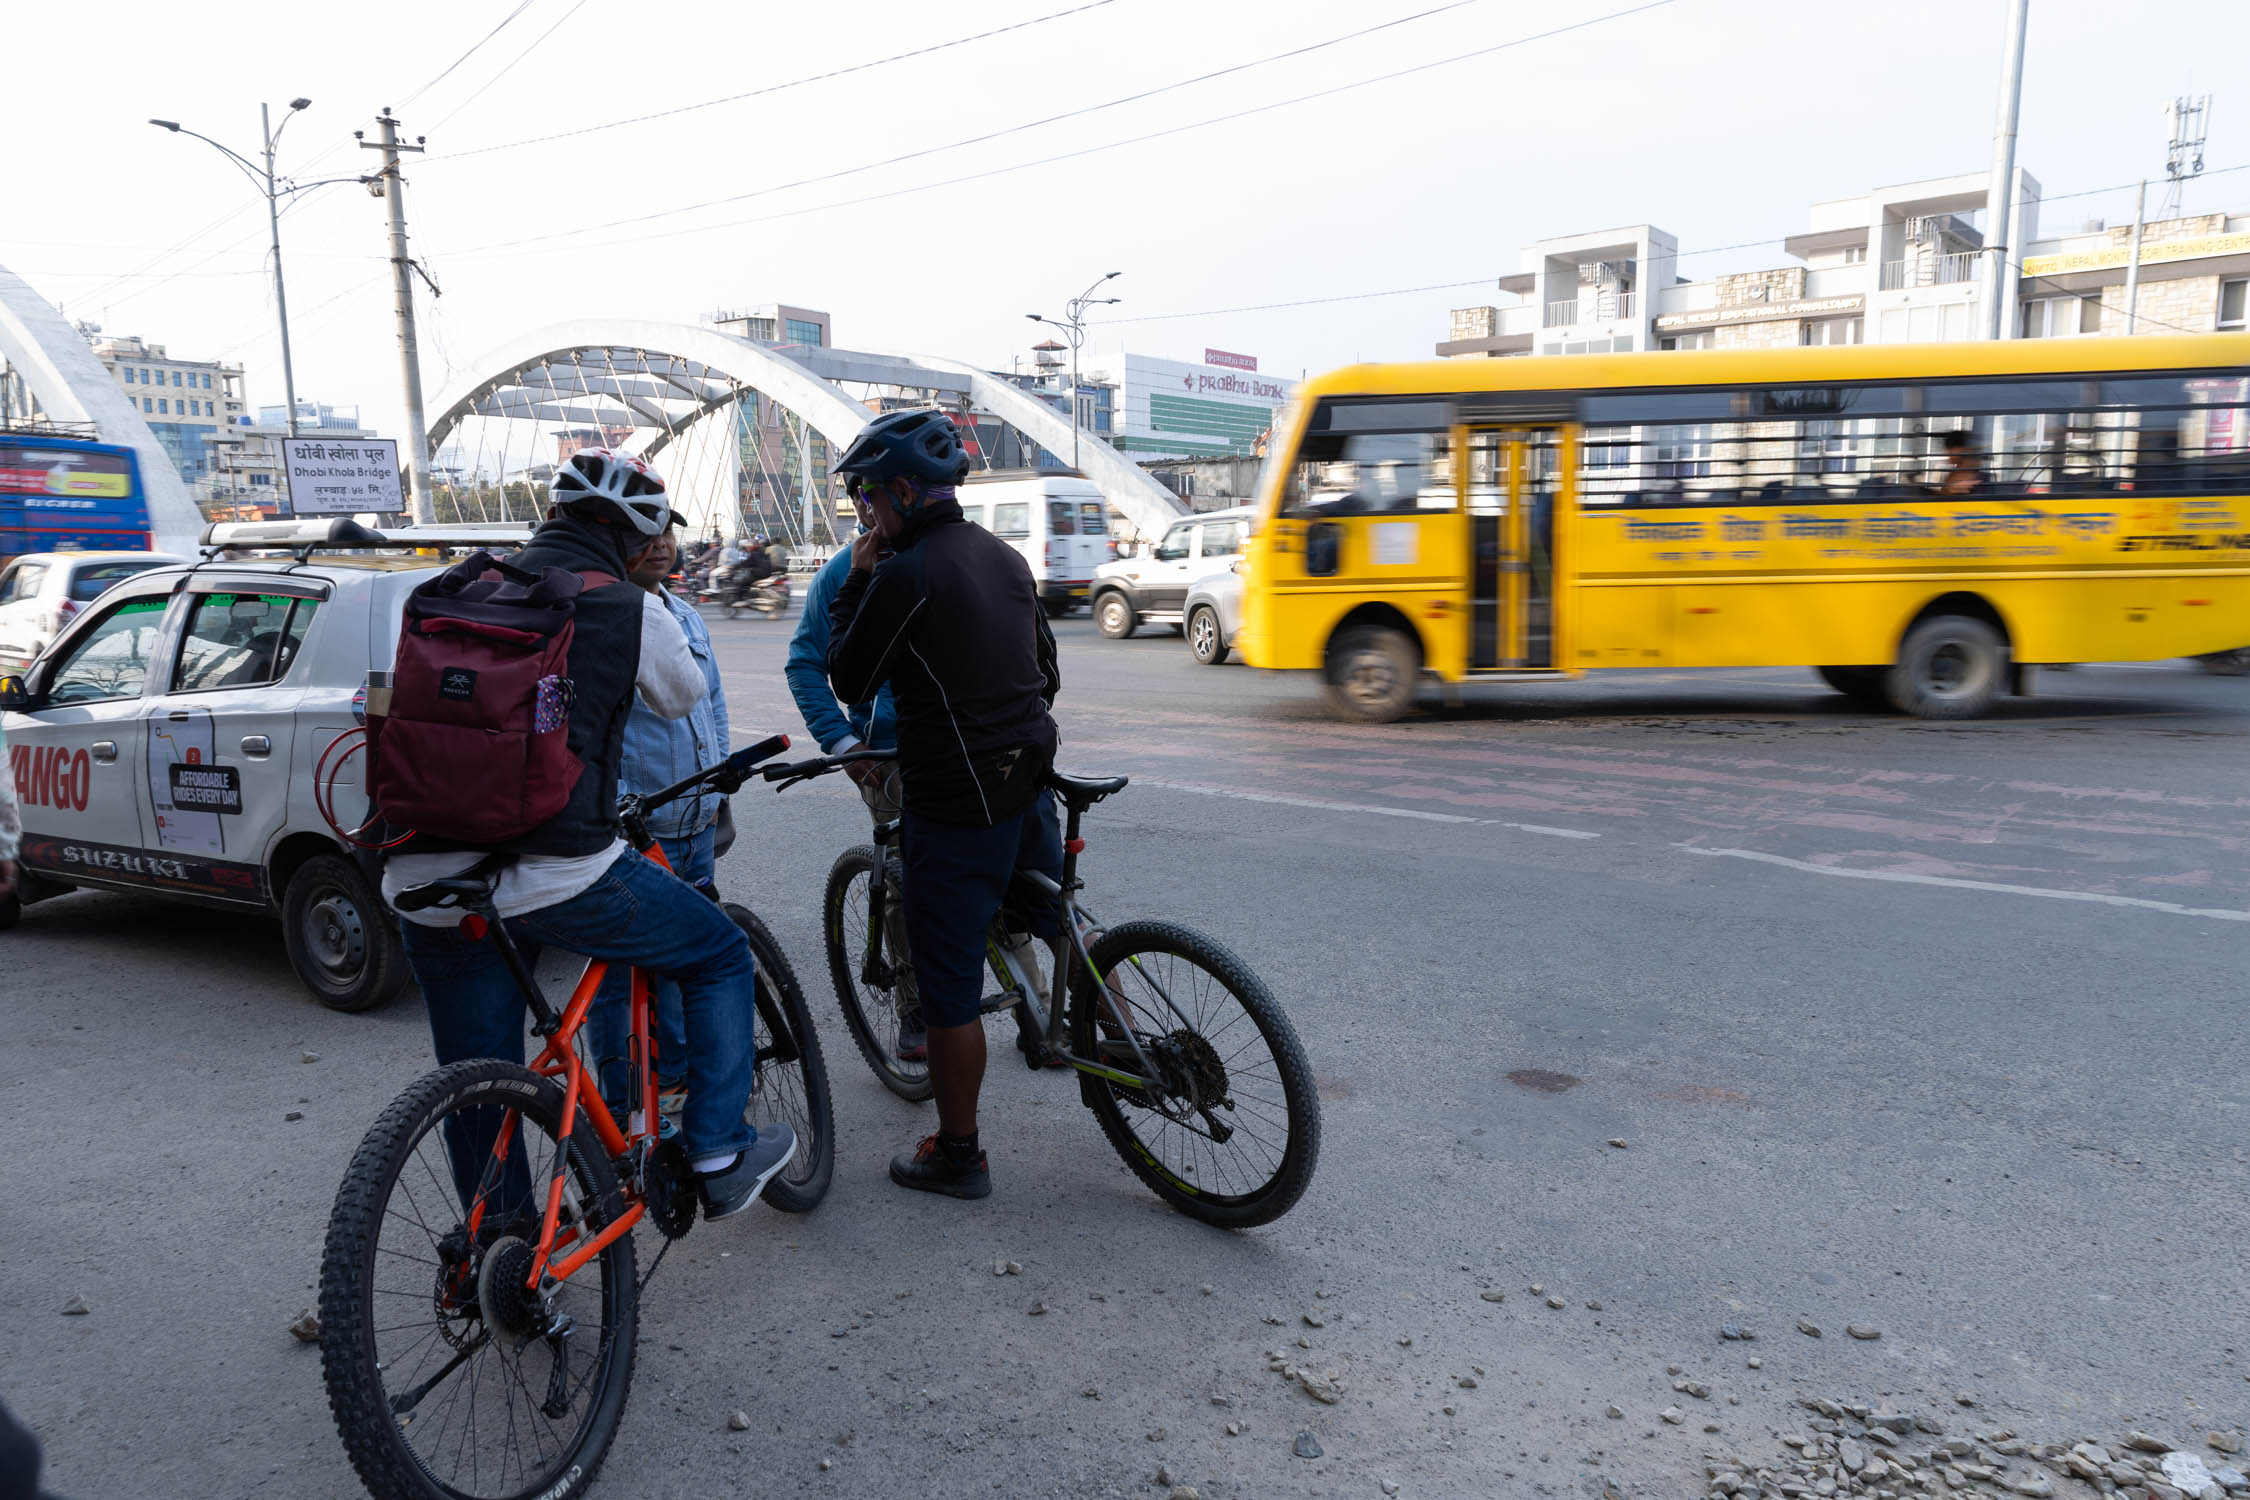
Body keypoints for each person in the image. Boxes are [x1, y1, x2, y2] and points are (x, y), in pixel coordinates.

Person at [382, 448, 793, 1222]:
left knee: (480, 1077)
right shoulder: (629, 605)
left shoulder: (454, 588)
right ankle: (717, 1149)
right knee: (716, 953)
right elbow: (681, 699)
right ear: (640, 538)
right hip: (557, 867)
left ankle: (497, 1252)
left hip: (422, 875)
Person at [825, 408, 1063, 1200]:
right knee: (1059, 915)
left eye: (865, 498)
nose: (864, 514)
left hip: (959, 803)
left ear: (900, 493)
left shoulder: (903, 574)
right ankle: (1124, 1045)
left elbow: (848, 678)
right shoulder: (1004, 558)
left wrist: (856, 579)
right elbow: (1046, 674)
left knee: (950, 984)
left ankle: (958, 1154)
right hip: (1030, 773)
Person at [583, 512, 731, 1119]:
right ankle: (620, 1104)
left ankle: (673, 1074)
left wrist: (720, 782)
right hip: (639, 827)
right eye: (648, 535)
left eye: (669, 531)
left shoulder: (683, 612)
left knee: (686, 956)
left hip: (693, 819)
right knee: (620, 976)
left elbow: (712, 701)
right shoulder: (603, 619)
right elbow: (591, 728)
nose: (663, 544)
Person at [785, 511, 908, 1048]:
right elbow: (805, 663)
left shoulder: (964, 556)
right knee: (904, 883)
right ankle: (916, 1007)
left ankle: (1041, 1008)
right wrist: (844, 744)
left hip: (980, 749)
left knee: (1015, 883)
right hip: (890, 758)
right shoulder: (842, 570)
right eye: (864, 495)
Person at [1939, 430, 1989, 496]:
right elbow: (1942, 496)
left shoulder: (1978, 475)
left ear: (1963, 449)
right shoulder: (1954, 473)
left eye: (1951, 449)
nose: (1948, 454)